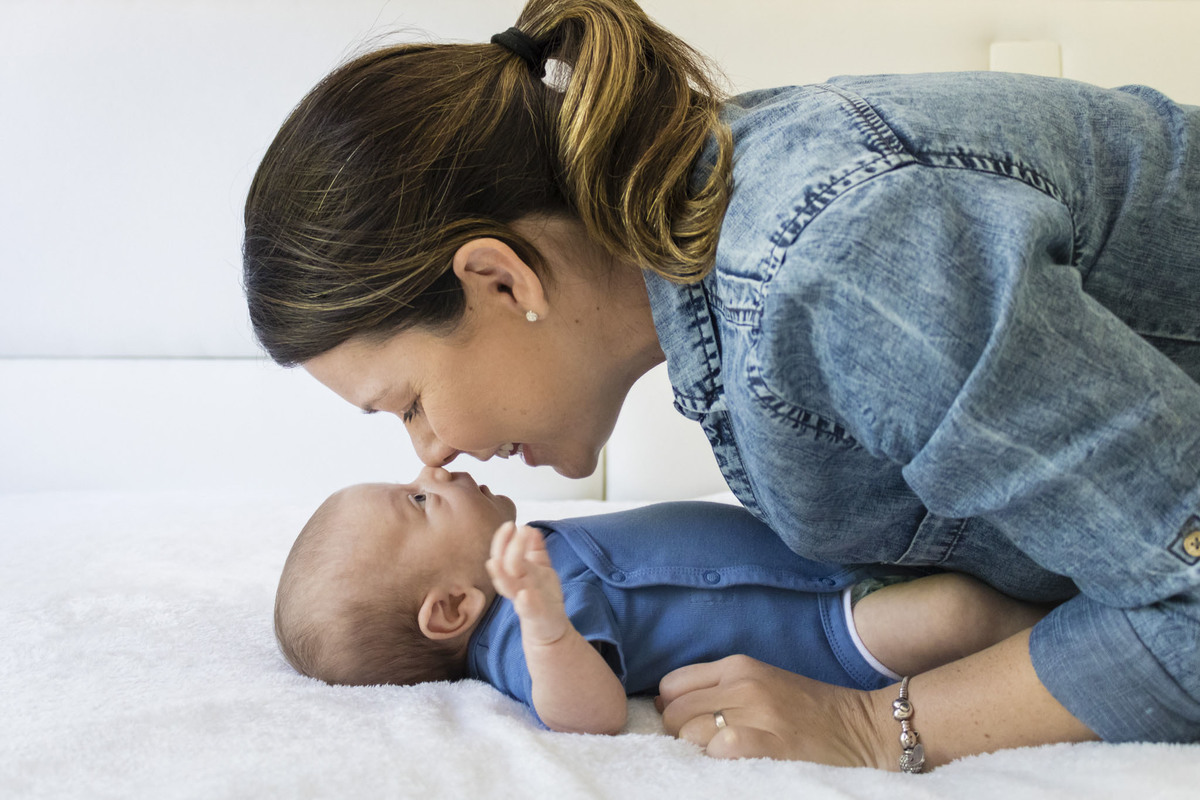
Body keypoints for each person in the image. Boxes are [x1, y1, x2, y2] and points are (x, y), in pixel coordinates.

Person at [243, 0, 1200, 771]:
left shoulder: (833, 269)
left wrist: (882, 726)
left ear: (500, 281)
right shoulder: (728, 301)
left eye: (408, 402)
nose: (433, 451)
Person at [274, 466, 1048, 740]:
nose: (432, 469)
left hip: (822, 561)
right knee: (957, 615)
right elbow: (590, 715)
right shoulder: (513, 635)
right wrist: (544, 620)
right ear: (449, 609)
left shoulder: (523, 555)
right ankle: (1077, 637)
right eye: (416, 501)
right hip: (823, 630)